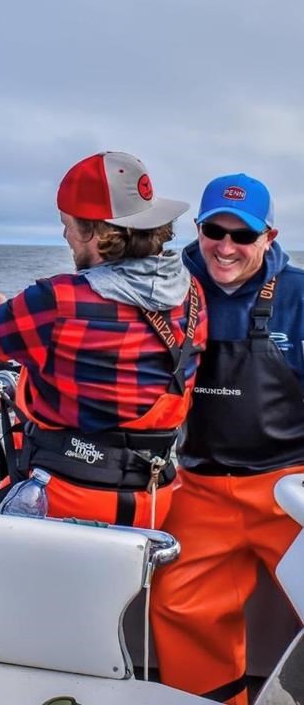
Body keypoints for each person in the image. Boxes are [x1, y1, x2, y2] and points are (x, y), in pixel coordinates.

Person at [0, 151, 208, 658]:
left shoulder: (58, 303)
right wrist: (28, 324)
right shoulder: (189, 293)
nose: (64, 236)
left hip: (73, 500)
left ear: (96, 233)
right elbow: (119, 366)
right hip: (153, 497)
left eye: (68, 226)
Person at [151, 173, 304, 705]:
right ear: (196, 229)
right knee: (176, 601)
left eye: (244, 235)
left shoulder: (299, 294)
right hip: (200, 483)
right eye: (214, 230)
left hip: (289, 486)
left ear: (270, 236)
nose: (226, 247)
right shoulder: (167, 286)